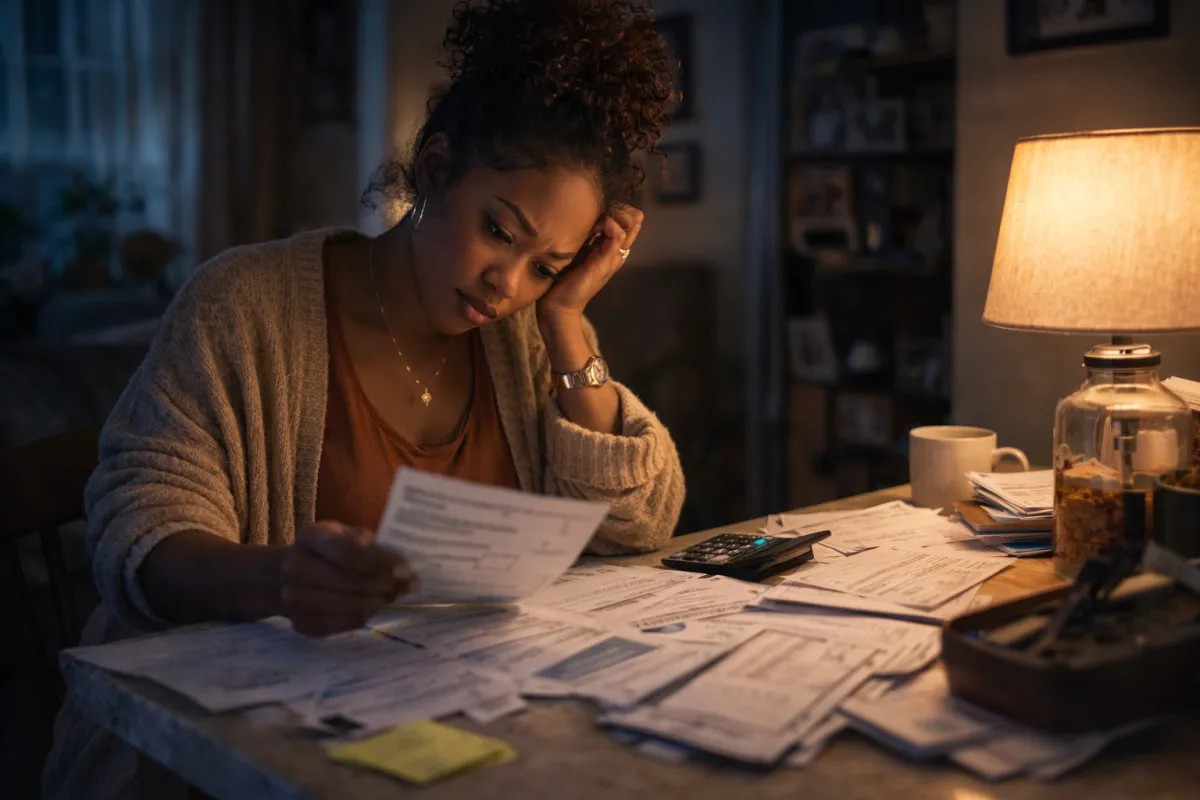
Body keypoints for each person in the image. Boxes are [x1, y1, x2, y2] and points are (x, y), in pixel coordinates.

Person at [44, 0, 684, 796]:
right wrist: (280, 580)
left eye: (546, 267)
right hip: (218, 761)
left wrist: (565, 321)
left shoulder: (524, 337)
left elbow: (640, 524)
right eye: (498, 231)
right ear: (437, 168)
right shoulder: (245, 302)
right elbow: (137, 531)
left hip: (459, 741)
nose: (507, 283)